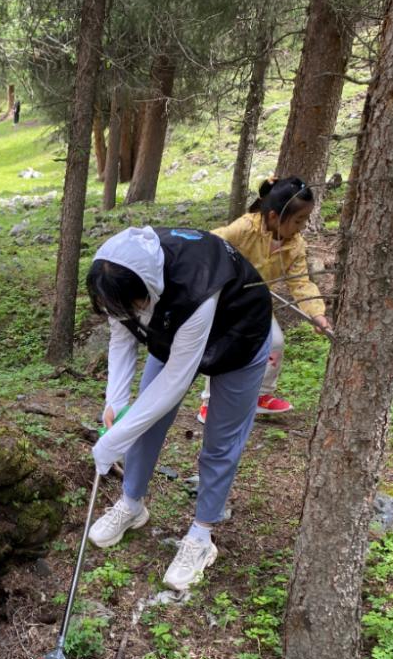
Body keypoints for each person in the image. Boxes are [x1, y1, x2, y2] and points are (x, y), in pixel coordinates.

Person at [87, 225, 272, 591]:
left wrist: (114, 440)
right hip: (172, 333)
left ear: (150, 288)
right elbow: (122, 338)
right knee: (143, 423)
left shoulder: (196, 290)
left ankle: (201, 537)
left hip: (239, 337)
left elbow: (174, 382)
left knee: (220, 441)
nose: (127, 314)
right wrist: (116, 402)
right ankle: (132, 503)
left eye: (134, 307)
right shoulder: (117, 278)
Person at [198, 175, 332, 423]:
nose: (301, 226)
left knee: (276, 342)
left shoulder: (295, 245)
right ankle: (209, 402)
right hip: (228, 301)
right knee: (224, 347)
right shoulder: (246, 228)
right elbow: (213, 241)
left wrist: (316, 313)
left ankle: (261, 396)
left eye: (305, 220)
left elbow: (300, 281)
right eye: (298, 220)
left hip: (258, 303)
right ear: (273, 216)